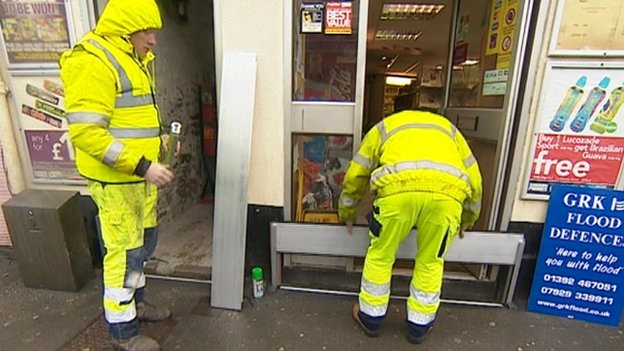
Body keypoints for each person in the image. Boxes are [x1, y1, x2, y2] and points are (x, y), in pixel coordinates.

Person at [60, 1, 174, 350]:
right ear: (125, 30)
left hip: (139, 182)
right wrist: (144, 165)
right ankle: (123, 334)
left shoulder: (135, 60)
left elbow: (129, 118)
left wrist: (160, 140)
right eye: (147, 32)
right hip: (118, 183)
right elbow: (88, 134)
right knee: (124, 257)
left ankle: (138, 305)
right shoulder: (93, 60)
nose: (153, 40)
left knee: (143, 246)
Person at [338, 109, 482, 344]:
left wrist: (347, 210)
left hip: (397, 193)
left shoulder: (385, 127)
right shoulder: (449, 129)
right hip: (446, 199)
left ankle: (370, 318)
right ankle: (419, 326)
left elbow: (357, 172)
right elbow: (475, 179)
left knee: (381, 255)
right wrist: (468, 218)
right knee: (431, 260)